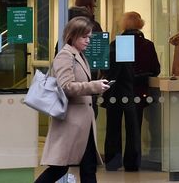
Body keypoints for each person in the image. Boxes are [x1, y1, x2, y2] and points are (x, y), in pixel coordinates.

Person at [34, 17, 111, 183]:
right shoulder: (65, 56)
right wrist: (93, 86)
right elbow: (66, 86)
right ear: (73, 35)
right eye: (84, 37)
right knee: (59, 168)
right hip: (72, 121)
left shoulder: (78, 55)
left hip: (83, 121)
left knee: (88, 167)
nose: (88, 41)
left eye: (89, 37)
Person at [104, 11, 160, 172]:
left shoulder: (118, 44)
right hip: (138, 92)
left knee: (113, 127)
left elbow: (112, 70)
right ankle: (132, 163)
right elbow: (155, 69)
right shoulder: (147, 45)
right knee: (134, 127)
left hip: (117, 92)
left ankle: (112, 161)